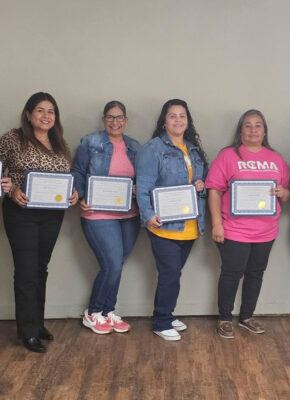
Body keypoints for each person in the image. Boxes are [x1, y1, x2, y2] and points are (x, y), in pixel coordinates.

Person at [0, 92, 78, 353]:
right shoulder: (13, 138)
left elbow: (66, 177)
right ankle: (27, 331)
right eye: (41, 110)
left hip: (52, 214)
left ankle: (37, 324)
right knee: (25, 270)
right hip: (21, 212)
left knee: (40, 269)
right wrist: (10, 190)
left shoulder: (59, 142)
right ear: (28, 114)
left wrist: (73, 193)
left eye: (51, 112)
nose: (46, 116)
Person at [206, 109, 290, 339]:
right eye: (248, 125)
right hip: (234, 230)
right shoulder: (228, 156)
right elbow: (214, 190)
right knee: (231, 274)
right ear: (240, 130)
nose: (253, 130)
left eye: (258, 125)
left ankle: (246, 317)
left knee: (256, 273)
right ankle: (225, 318)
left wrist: (284, 192)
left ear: (264, 131)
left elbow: (286, 192)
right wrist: (217, 225)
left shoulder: (275, 158)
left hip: (266, 231)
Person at [136, 99, 207, 341]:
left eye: (182, 116)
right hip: (164, 225)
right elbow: (144, 186)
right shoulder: (153, 148)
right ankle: (161, 321)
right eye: (172, 116)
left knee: (174, 274)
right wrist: (147, 215)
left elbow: (198, 184)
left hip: (189, 225)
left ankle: (166, 313)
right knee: (169, 274)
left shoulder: (193, 149)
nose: (178, 120)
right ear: (164, 121)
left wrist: (200, 185)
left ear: (188, 122)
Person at [72, 101, 141, 335]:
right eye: (110, 117)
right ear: (104, 120)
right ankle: (93, 312)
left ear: (126, 120)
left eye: (120, 117)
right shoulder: (90, 142)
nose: (115, 122)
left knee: (116, 265)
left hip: (129, 215)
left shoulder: (134, 146)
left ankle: (108, 312)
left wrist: (137, 189)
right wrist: (80, 195)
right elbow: (79, 172)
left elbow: (143, 177)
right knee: (112, 264)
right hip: (97, 214)